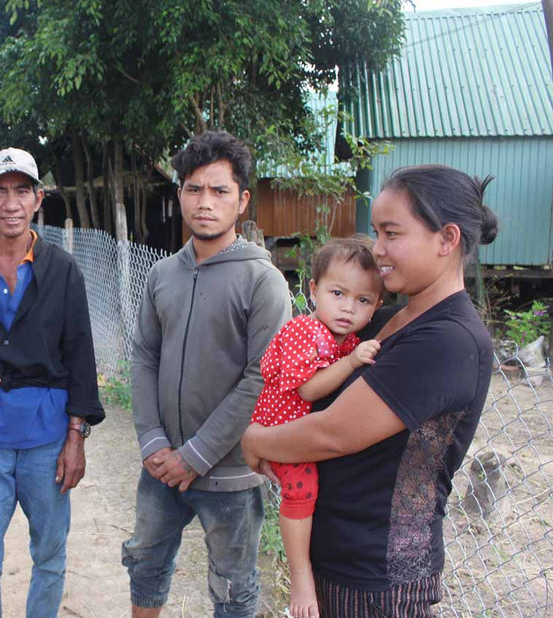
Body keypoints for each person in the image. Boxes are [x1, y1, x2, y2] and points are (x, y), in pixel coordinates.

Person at [242, 164, 497, 617]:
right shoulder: (383, 320)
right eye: (376, 232)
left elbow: (332, 433)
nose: (377, 250)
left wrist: (254, 439)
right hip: (338, 557)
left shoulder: (448, 340)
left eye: (391, 233)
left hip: (379, 579)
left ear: (447, 239)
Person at [123, 130, 292, 618]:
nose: (205, 202)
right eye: (194, 189)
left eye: (220, 191)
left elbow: (260, 378)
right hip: (161, 468)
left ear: (241, 201)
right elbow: (144, 356)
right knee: (146, 565)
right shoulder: (163, 275)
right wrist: (153, 442)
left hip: (232, 474)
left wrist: (195, 456)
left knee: (233, 590)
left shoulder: (263, 281)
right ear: (179, 195)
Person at [0, 147, 105, 618]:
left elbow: (80, 356)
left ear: (38, 199)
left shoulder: (62, 271)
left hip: (47, 444)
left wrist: (76, 437)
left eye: (20, 191)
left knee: (49, 557)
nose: (10, 204)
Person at [251, 236, 383, 618]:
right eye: (338, 293)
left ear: (376, 306)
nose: (347, 308)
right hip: (282, 430)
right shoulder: (303, 332)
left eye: (363, 301)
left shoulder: (345, 340)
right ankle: (300, 575)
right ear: (313, 289)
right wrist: (353, 361)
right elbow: (309, 387)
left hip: (300, 431)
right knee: (301, 489)